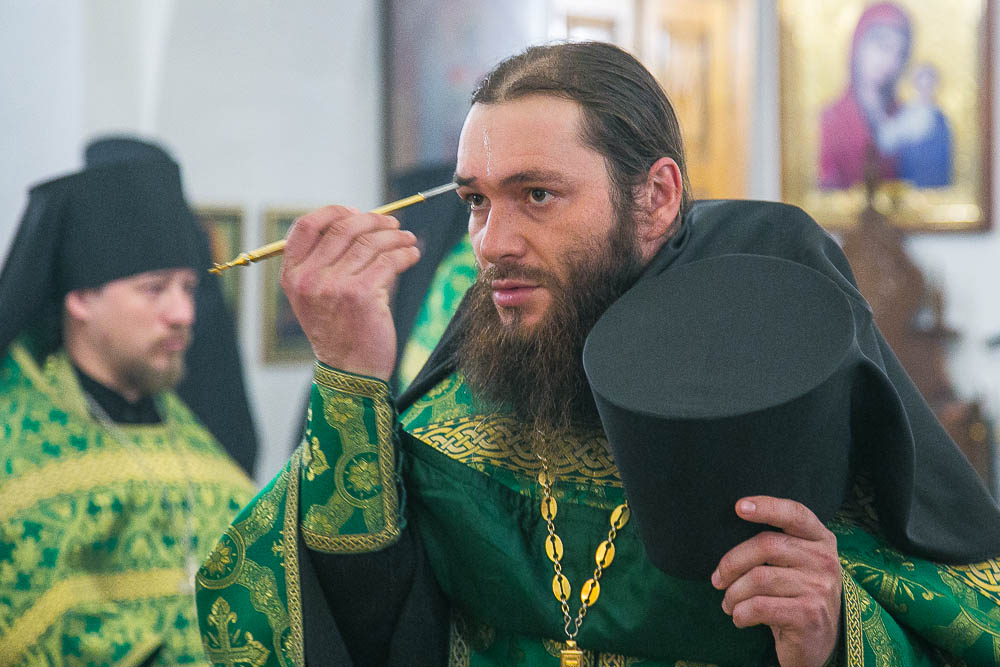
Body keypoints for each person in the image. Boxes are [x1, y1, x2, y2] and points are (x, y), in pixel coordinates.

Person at [196, 41, 1000, 666]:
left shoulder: (774, 391)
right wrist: (352, 375)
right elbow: (363, 606)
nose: (491, 243)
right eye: (475, 201)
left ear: (656, 197)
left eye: (537, 195)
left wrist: (837, 635)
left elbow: (965, 627)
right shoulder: (466, 396)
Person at [0, 138, 257, 664]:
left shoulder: (188, 433)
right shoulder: (16, 444)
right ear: (81, 298)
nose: (183, 314)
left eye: (188, 288)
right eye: (155, 289)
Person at [819, 3, 911, 190]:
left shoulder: (906, 117)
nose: (890, 61)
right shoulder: (831, 119)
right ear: (858, 44)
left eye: (899, 53)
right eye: (883, 46)